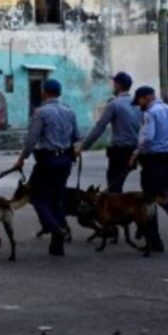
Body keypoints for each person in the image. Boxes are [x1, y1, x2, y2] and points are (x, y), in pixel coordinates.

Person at [13, 79, 79, 256]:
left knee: (37, 197)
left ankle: (55, 229)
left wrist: (21, 159)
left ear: (45, 92)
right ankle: (57, 245)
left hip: (47, 160)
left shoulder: (41, 112)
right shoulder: (69, 112)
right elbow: (77, 137)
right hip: (65, 160)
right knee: (56, 200)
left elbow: (32, 139)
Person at [130, 86, 168, 251]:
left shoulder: (150, 113)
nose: (140, 105)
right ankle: (156, 238)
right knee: (160, 195)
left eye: (140, 101)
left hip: (153, 160)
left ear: (145, 98)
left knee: (152, 198)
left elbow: (147, 138)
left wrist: (135, 154)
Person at [76, 72, 141, 192]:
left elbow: (99, 127)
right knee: (118, 184)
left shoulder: (114, 104)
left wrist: (83, 146)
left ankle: (118, 210)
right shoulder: (137, 103)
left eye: (114, 84)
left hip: (120, 151)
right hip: (134, 149)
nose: (113, 86)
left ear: (118, 85)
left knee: (114, 188)